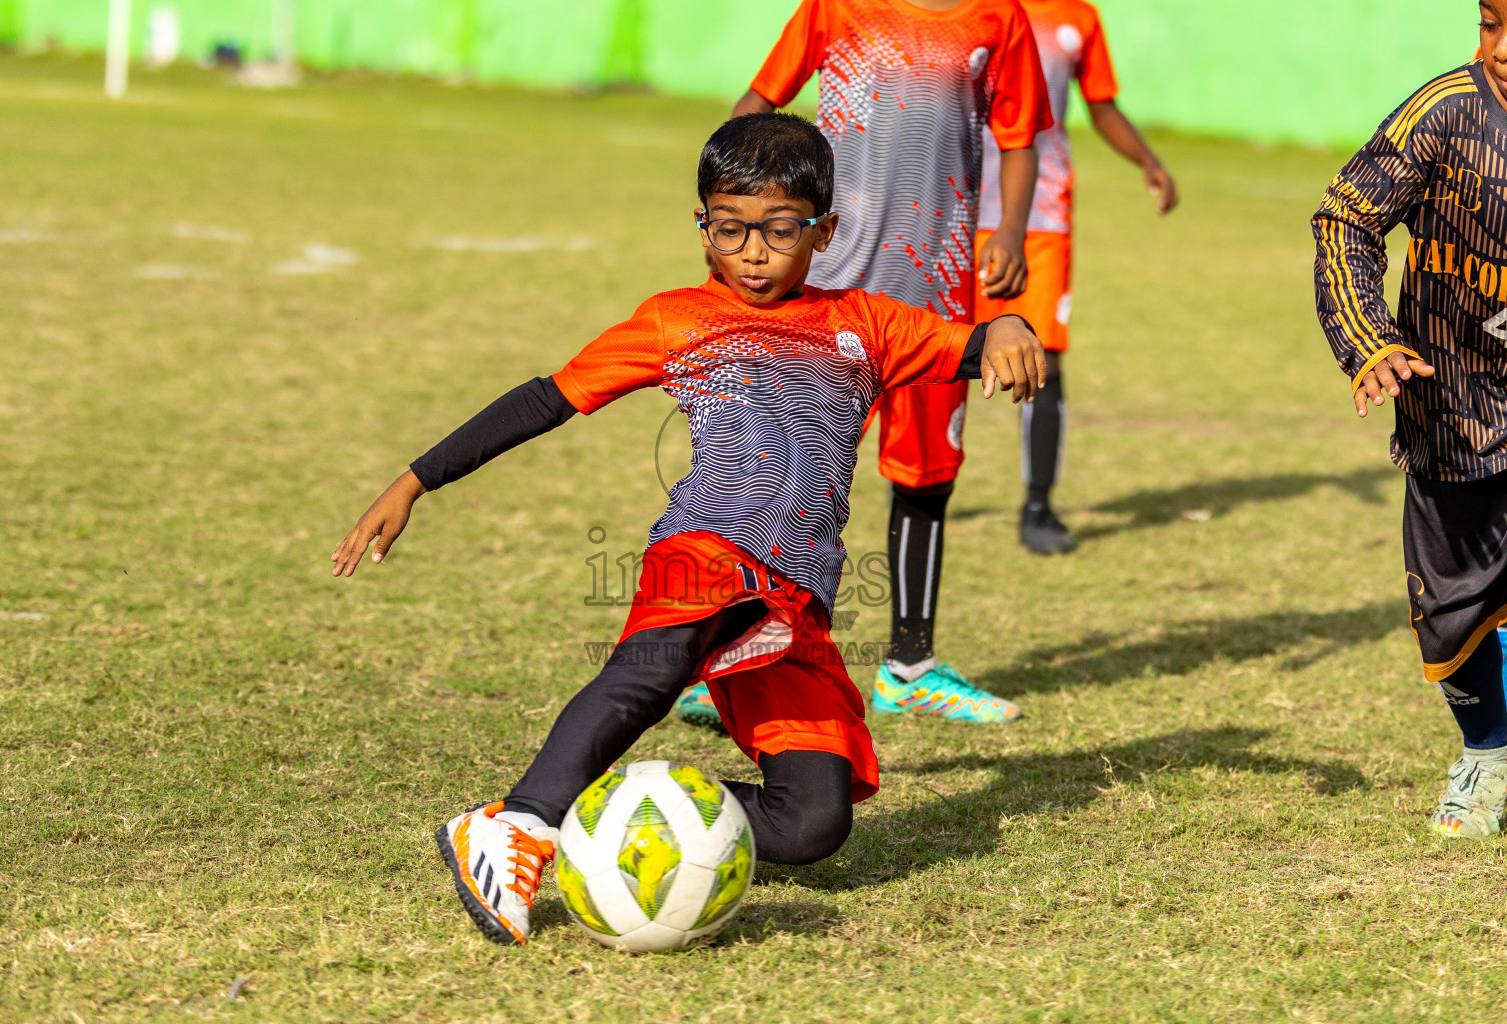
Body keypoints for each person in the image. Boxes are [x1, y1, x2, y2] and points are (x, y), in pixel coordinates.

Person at [330, 113, 1048, 944]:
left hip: (794, 603)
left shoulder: (869, 326)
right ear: (702, 225)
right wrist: (416, 480)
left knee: (813, 823)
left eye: (778, 231)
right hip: (709, 551)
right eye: (728, 228)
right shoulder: (677, 320)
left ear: (824, 231)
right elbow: (544, 399)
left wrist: (1010, 327)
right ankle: (518, 822)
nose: (750, 251)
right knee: (652, 670)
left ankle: (613, 823)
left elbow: (974, 342)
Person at [677, 0, 1053, 736]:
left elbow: (1020, 140)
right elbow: (758, 105)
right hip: (827, 291)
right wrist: (746, 213)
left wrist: (1008, 232)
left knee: (926, 472)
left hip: (936, 295)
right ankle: (728, 655)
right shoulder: (836, 6)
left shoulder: (998, 19)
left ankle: (909, 668)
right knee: (778, 468)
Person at [1312, 1, 1507, 837]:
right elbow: (1345, 219)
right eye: (1492, 21)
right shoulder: (1445, 113)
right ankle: (1488, 750)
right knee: (1452, 617)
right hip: (1451, 407)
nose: (1494, 47)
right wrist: (1367, 340)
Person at [975, 0, 1177, 555]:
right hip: (953, 201)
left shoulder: (1079, 17)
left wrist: (1148, 161)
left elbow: (1102, 105)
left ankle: (1038, 506)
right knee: (912, 349)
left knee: (1041, 356)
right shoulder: (972, 7)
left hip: (1039, 215)